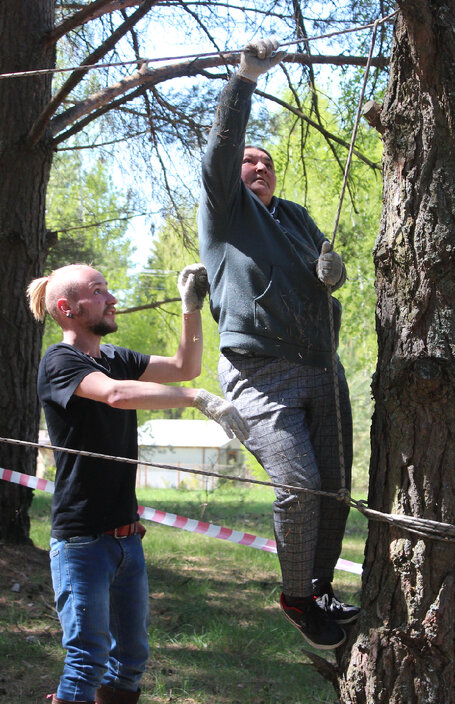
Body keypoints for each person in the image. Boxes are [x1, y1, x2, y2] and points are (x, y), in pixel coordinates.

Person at [198, 37, 358, 650]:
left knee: (335, 489)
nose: (258, 167)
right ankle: (295, 595)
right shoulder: (226, 210)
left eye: (266, 162)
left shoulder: (293, 215)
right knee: (297, 484)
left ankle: (319, 591)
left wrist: (333, 273)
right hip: (259, 373)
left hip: (321, 366)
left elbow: (327, 269)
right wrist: (244, 79)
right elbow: (220, 151)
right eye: (249, 161)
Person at [29, 262, 248, 704]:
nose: (112, 299)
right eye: (99, 291)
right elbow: (115, 394)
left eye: (107, 289)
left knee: (128, 660)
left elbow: (185, 366)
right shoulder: (60, 361)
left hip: (127, 539)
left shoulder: (113, 358)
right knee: (88, 659)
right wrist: (196, 399)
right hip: (83, 541)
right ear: (67, 308)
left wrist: (191, 308)